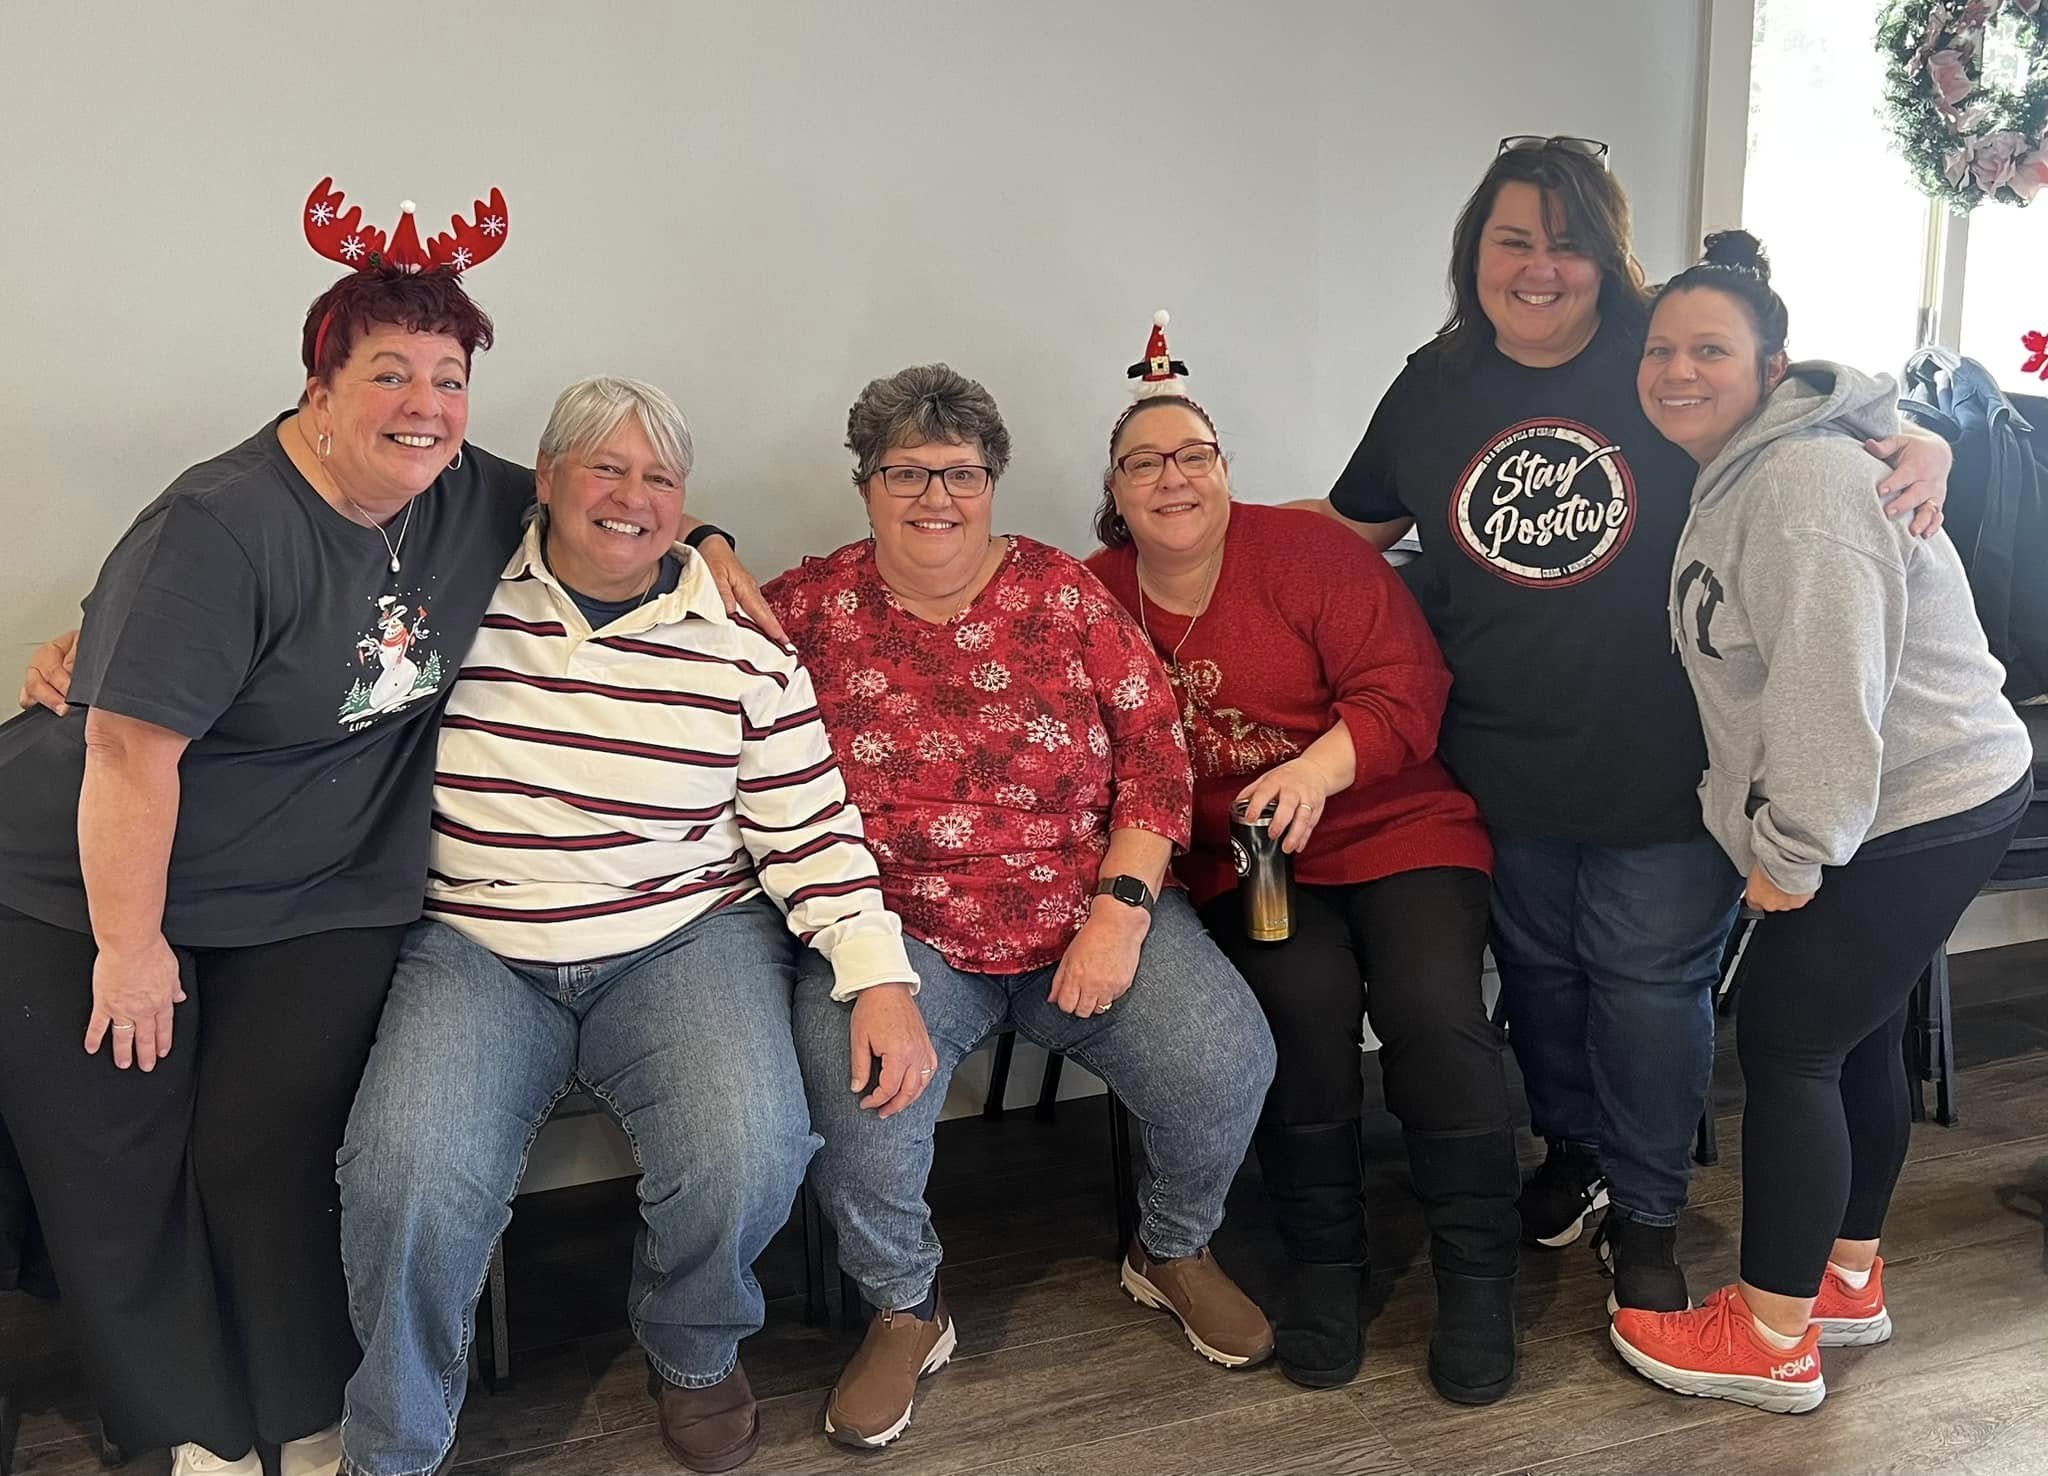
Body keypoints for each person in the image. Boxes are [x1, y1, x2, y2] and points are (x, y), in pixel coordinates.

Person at [0, 184, 775, 1476]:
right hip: (85, 876)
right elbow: (129, 755)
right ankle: (185, 1428)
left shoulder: (463, 495)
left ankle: (306, 1408)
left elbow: (608, 504)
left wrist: (704, 531)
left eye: (450, 376)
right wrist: (129, 948)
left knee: (268, 1147)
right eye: (390, 374)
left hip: (312, 883)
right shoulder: (226, 521)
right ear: (320, 384)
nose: (424, 403)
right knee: (120, 1163)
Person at [1310, 137, 1954, 1313]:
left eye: (1566, 243)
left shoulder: (1661, 356)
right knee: (1545, 986)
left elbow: (1807, 395)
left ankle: (1650, 1212)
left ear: (1608, 259)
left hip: (1668, 767)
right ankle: (1576, 1162)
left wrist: (1917, 436)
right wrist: (1180, 522)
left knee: (1647, 992)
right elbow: (1345, 539)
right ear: (1474, 256)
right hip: (1496, 763)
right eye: (1512, 240)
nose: (1538, 268)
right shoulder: (1431, 383)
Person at [334, 377, 919, 1475]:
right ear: (545, 480)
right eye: (604, 467)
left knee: (747, 1148)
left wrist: (878, 976)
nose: (631, 496)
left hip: (679, 940)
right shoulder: (453, 597)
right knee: (405, 1170)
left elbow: (812, 830)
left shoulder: (743, 646)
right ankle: (395, 1439)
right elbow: (298, 664)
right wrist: (110, 656)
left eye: (660, 478)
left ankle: (694, 1351)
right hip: (475, 944)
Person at [763, 363, 1278, 1453]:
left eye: (960, 472)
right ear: (864, 485)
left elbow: (1155, 751)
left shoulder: (1058, 591)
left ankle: (1171, 1250)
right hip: (899, 937)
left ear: (993, 481)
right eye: (905, 471)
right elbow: (699, 648)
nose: (933, 496)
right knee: (861, 1101)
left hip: (1080, 910)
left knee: (1224, 1057)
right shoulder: (808, 607)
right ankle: (907, 1308)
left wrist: (1121, 911)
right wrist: (709, 540)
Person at [1608, 232, 2030, 1412]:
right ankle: (1843, 1280)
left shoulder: (1793, 486)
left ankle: (1771, 1336)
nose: (1676, 370)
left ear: (1772, 364)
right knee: (1846, 1036)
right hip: (1913, 797)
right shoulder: (1752, 466)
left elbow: (1825, 694)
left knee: (1789, 1044)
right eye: (1661, 349)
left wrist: (1788, 854)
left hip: (1910, 800)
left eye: (1709, 350)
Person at [1083, 326, 1520, 1403]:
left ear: (1226, 470)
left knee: (1429, 1008)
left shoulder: (1312, 555)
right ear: (1115, 490)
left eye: (1195, 454)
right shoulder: (1087, 595)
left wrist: (1318, 772)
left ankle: (1476, 1275)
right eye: (1146, 461)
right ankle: (1327, 1264)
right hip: (1250, 868)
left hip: (1392, 825)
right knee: (1299, 1013)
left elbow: (1405, 691)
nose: (1173, 475)